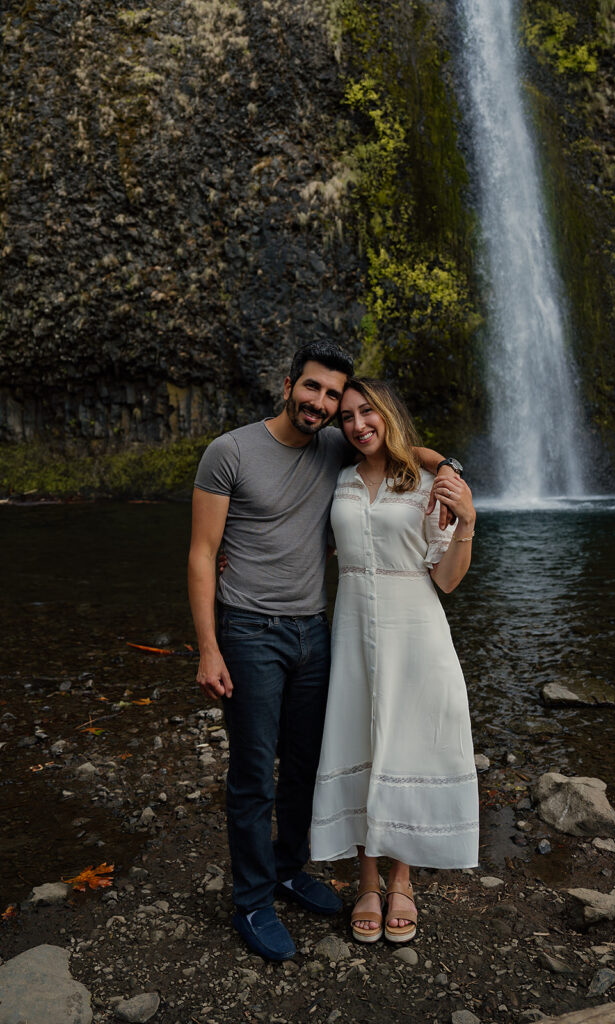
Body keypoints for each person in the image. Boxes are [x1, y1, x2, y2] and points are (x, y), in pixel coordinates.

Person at [187, 342, 460, 961]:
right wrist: (208, 646)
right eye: (312, 389)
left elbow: (401, 448)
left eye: (333, 397)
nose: (322, 404)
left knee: (307, 765)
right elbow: (202, 553)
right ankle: (253, 900)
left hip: (314, 631)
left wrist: (453, 468)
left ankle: (287, 870)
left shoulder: (338, 444)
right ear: (289, 385)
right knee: (254, 774)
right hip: (250, 630)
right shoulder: (229, 451)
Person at [310, 378, 479, 945]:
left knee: (408, 745)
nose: (359, 424)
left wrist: (468, 524)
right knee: (358, 741)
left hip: (417, 629)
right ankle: (365, 881)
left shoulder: (428, 483)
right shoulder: (337, 475)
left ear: (388, 414)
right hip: (354, 627)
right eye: (349, 416)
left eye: (369, 413)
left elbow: (448, 580)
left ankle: (401, 881)